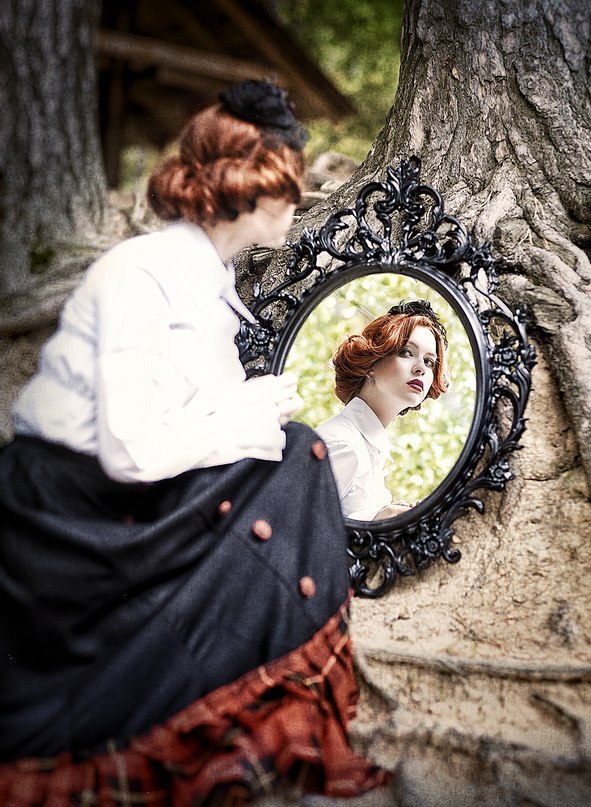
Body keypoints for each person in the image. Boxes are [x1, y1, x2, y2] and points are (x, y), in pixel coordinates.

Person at [0, 79, 386, 804]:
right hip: (66, 520)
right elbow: (131, 452)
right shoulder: (140, 274)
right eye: (289, 186)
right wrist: (244, 414)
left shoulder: (209, 281)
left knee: (296, 454)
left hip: (120, 499)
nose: (297, 203)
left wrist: (245, 414)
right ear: (252, 186)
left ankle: (258, 697)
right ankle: (188, 701)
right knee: (296, 454)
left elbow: (181, 426)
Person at [316, 300, 450, 521]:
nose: (421, 369)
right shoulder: (342, 443)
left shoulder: (369, 447)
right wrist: (376, 519)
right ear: (370, 365)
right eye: (407, 352)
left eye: (430, 362)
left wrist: (390, 516)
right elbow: (292, 527)